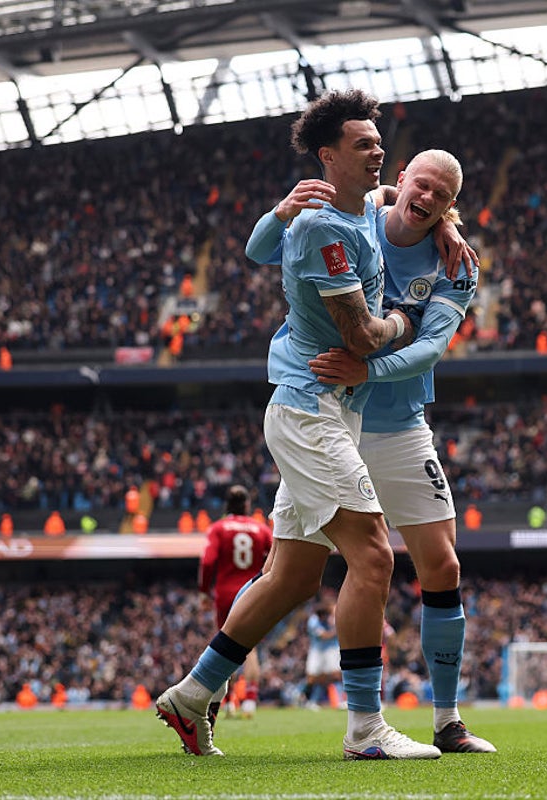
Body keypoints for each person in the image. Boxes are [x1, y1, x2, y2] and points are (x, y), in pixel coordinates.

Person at [156, 88, 439, 760]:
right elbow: (362, 336)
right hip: (311, 410)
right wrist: (407, 321)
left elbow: (391, 203)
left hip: (322, 409)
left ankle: (192, 695)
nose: (378, 152)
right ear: (327, 156)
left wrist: (445, 224)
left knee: (292, 577)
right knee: (373, 555)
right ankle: (366, 729)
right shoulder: (322, 228)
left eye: (379, 142)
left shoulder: (357, 205)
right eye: (363, 144)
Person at [246, 148, 495, 753]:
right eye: (421, 184)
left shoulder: (456, 263)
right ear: (401, 179)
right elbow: (264, 249)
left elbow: (431, 346)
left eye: (442, 196)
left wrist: (369, 370)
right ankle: (203, 686)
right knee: (289, 575)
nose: (427, 198)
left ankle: (447, 720)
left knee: (444, 566)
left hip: (400, 424)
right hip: (331, 418)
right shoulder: (355, 218)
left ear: (451, 206)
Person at [198, 485, 273, 720]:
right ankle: (249, 702)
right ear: (247, 505)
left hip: (225, 593)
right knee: (250, 648)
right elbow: (276, 555)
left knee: (225, 646)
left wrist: (204, 592)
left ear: (227, 505)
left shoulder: (218, 528)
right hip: (253, 590)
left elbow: (207, 562)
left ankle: (229, 702)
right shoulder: (260, 529)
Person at [304, 597, 341, 708]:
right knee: (312, 677)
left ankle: (340, 700)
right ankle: (309, 700)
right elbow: (324, 636)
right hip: (317, 651)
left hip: (332, 649)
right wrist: (338, 629)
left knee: (336, 674)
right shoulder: (313, 621)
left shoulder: (333, 618)